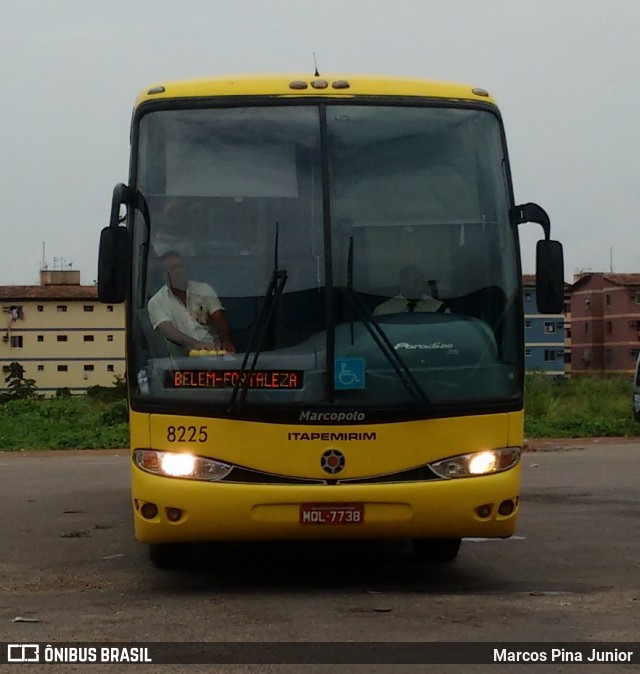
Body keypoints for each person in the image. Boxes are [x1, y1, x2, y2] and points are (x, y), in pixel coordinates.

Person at [147, 251, 236, 353]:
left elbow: (218, 317)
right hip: (181, 360)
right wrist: (197, 345)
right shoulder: (156, 302)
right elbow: (168, 331)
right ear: (164, 274)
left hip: (213, 351)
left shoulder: (204, 289)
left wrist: (226, 341)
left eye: (181, 266)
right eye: (174, 268)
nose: (179, 271)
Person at [373, 265, 446, 316]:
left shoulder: (439, 309)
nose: (417, 286)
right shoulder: (383, 312)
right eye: (413, 282)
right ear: (401, 283)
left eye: (419, 281)